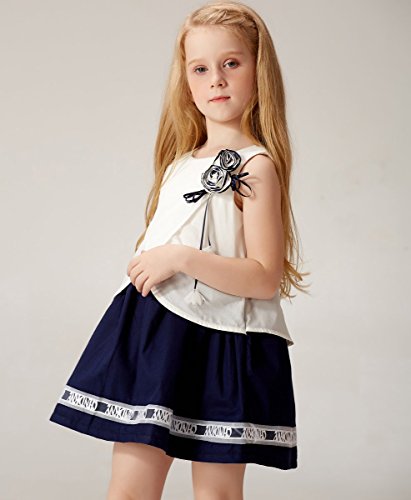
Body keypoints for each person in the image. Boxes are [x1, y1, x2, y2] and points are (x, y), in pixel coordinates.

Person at [49, 1, 310, 498]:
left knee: (216, 493)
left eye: (231, 63)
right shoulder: (178, 165)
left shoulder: (255, 166)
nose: (217, 80)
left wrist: (179, 257)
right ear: (186, 82)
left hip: (223, 339)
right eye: (200, 68)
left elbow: (263, 277)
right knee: (129, 489)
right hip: (155, 334)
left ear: (259, 71)